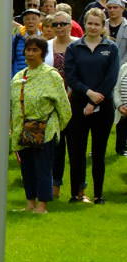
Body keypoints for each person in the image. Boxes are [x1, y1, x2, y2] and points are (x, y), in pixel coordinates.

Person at [64, 8, 119, 204]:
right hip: (79, 104)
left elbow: (111, 77)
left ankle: (98, 194)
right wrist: (88, 94)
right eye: (90, 23)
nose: (93, 27)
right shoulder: (74, 48)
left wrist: (96, 99)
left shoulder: (111, 48)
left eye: (97, 24)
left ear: (102, 26)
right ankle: (76, 193)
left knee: (98, 152)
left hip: (103, 106)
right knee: (77, 151)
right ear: (84, 24)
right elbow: (71, 76)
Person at [10, 37, 71, 213]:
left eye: (35, 50)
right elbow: (12, 104)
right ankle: (30, 203)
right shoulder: (19, 76)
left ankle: (42, 205)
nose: (30, 53)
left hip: (45, 129)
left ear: (43, 53)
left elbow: (64, 107)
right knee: (27, 168)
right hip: (22, 129)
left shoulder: (51, 75)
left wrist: (54, 128)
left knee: (43, 168)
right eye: (28, 50)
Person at [45, 10, 78, 197]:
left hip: (76, 100)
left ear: (70, 25)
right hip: (53, 103)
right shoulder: (47, 46)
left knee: (76, 147)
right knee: (56, 147)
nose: (59, 28)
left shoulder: (78, 45)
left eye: (63, 24)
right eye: (55, 25)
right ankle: (54, 186)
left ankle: (78, 189)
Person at [105, 0, 127, 154]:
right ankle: (99, 147)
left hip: (124, 71)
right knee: (104, 111)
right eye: (110, 7)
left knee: (122, 109)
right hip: (104, 72)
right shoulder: (101, 25)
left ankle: (121, 146)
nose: (112, 10)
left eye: (115, 7)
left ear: (122, 8)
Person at [11, 9, 41, 77]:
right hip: (19, 78)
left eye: (34, 19)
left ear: (39, 21)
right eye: (27, 19)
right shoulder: (16, 39)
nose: (30, 21)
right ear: (23, 21)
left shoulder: (45, 38)